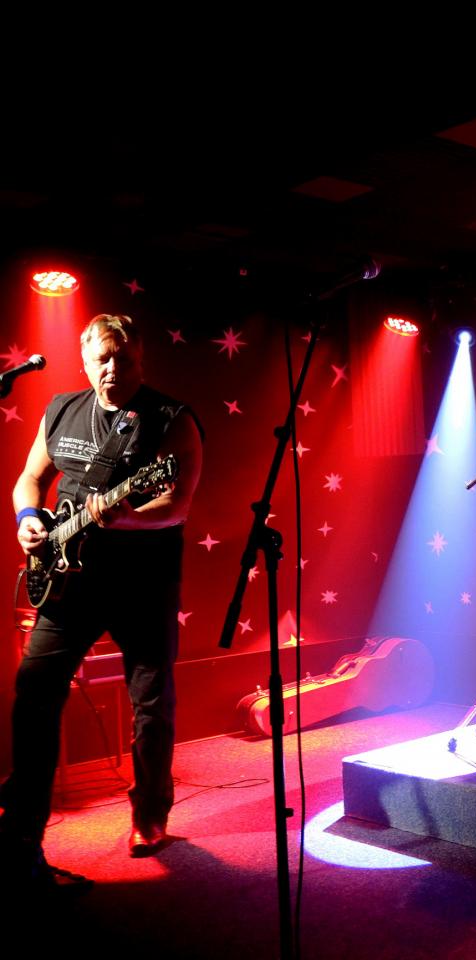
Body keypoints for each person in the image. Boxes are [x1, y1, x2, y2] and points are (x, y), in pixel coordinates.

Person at [1, 314, 203, 896]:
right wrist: (29, 519)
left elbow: (176, 504)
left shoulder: (172, 419)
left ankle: (150, 812)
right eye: (102, 359)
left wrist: (119, 517)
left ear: (141, 359)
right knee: (34, 694)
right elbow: (28, 478)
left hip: (144, 584)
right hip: (66, 582)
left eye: (125, 359)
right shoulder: (61, 409)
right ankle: (22, 833)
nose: (113, 369)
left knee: (151, 702)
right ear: (86, 361)